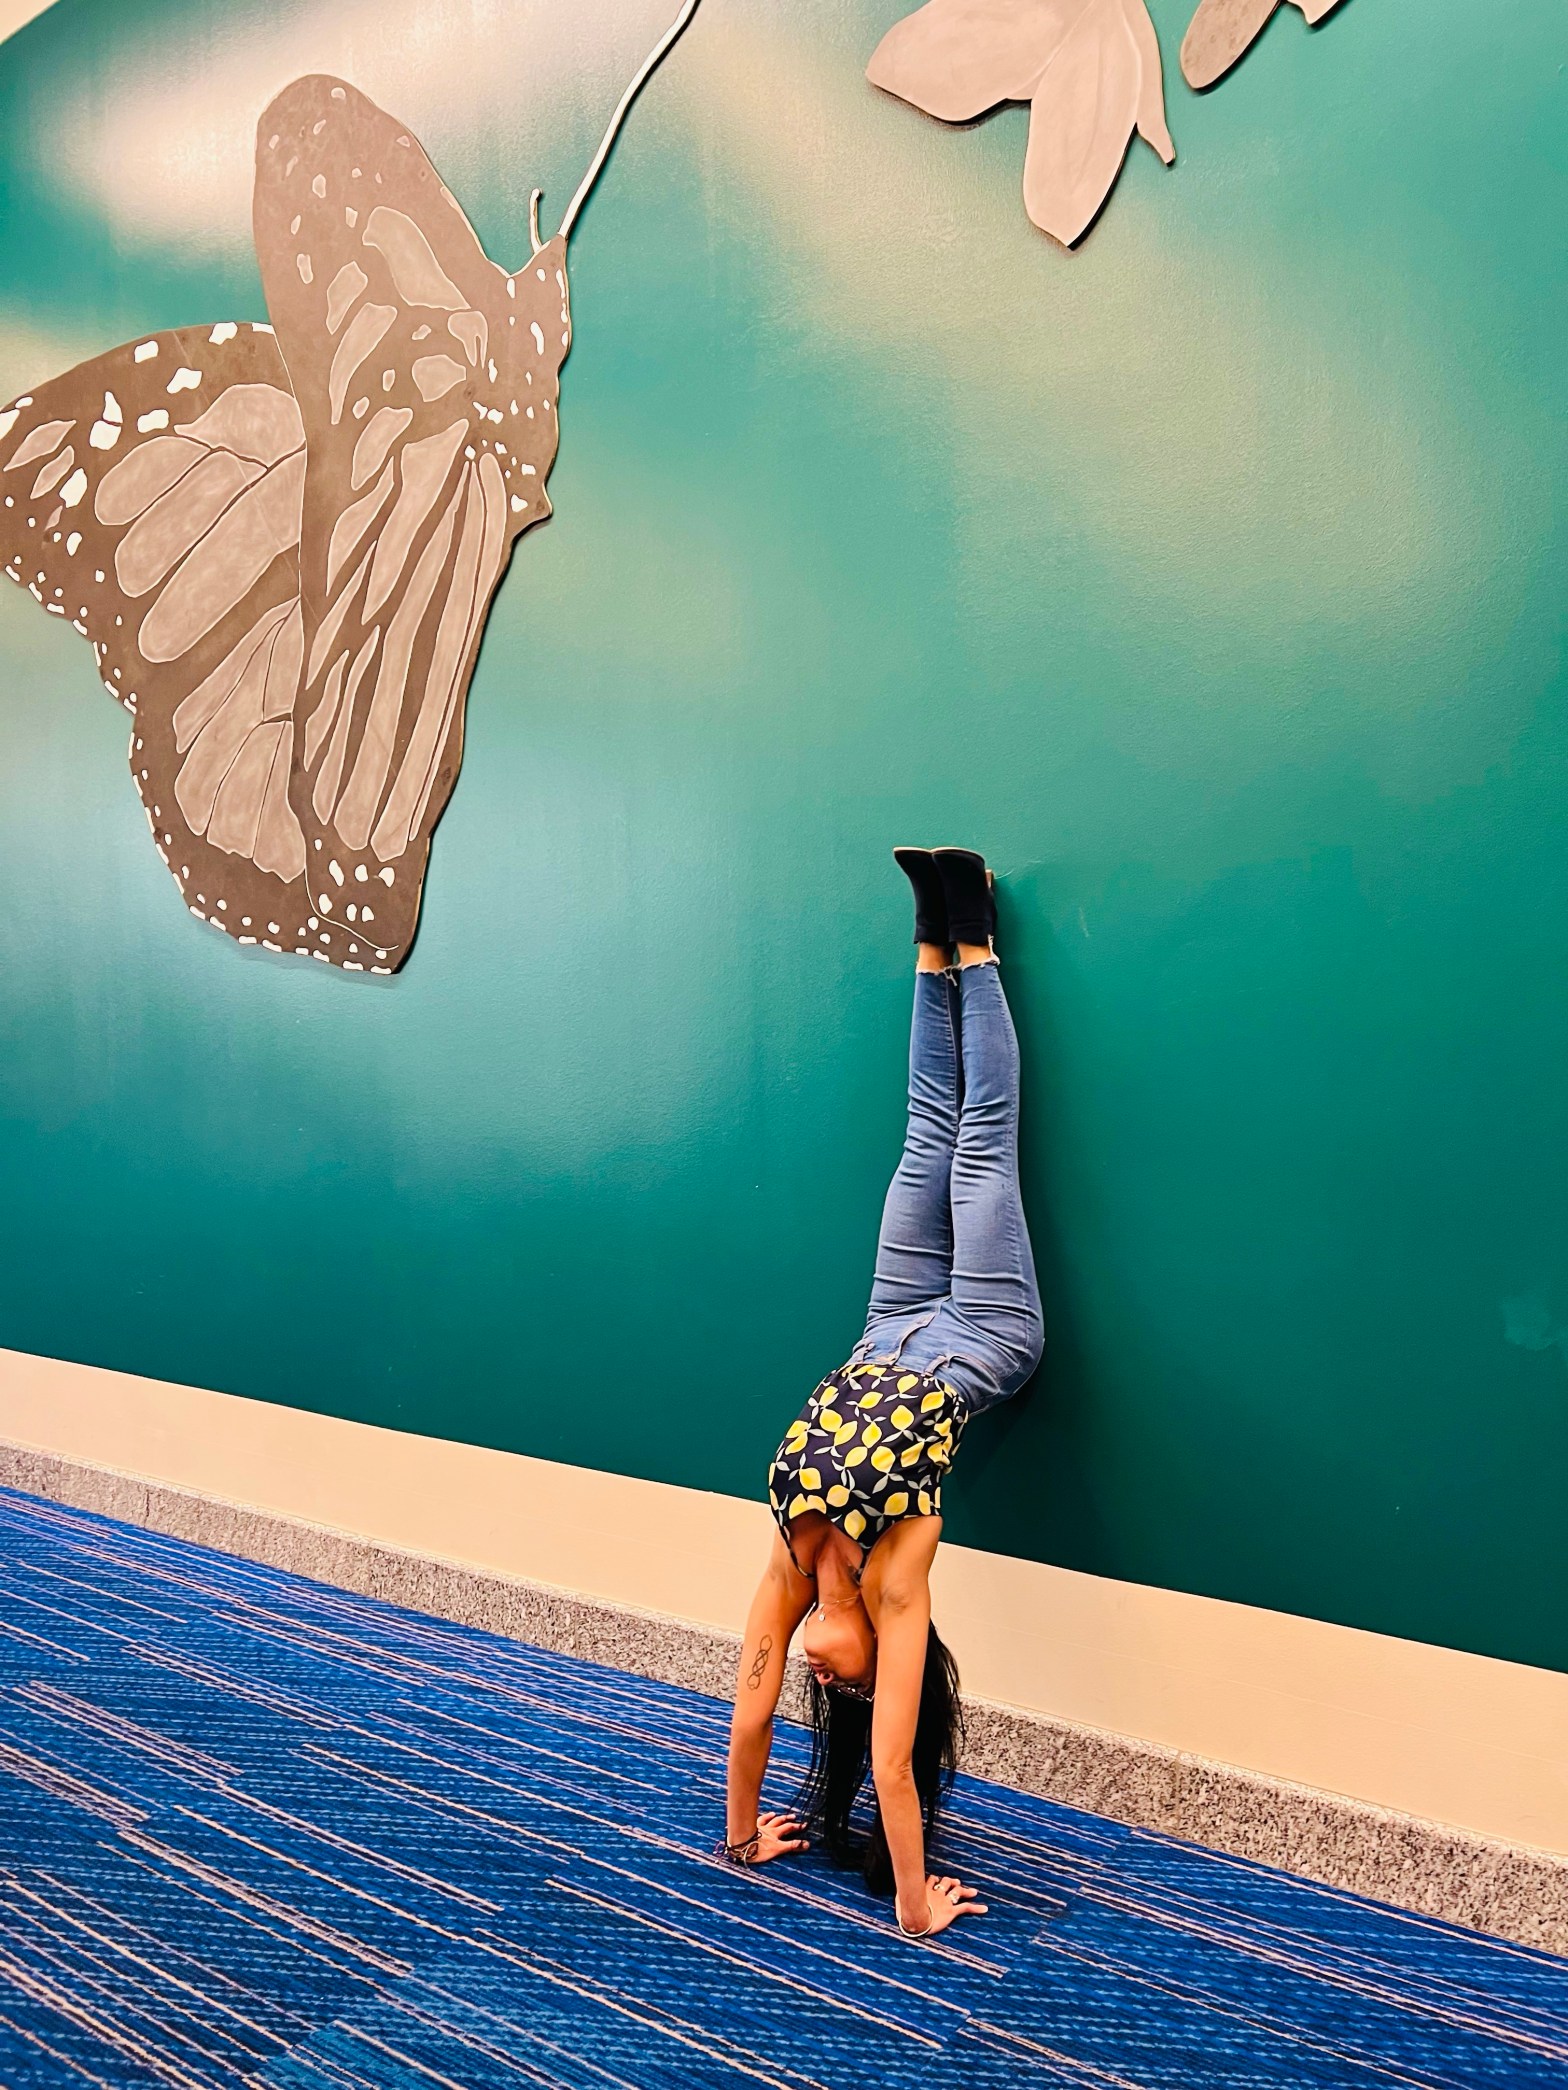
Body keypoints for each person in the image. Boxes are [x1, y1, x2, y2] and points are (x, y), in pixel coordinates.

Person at [719, 846, 1044, 1941]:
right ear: (883, 1670)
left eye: (824, 1688)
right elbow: (894, 1770)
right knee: (979, 1141)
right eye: (850, 1688)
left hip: (885, 1330)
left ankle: (930, 937)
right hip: (979, 1342)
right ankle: (976, 938)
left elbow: (748, 1711)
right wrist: (913, 1905)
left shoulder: (789, 1566)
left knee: (921, 1130)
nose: (825, 1677)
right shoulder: (899, 1582)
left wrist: (739, 1836)